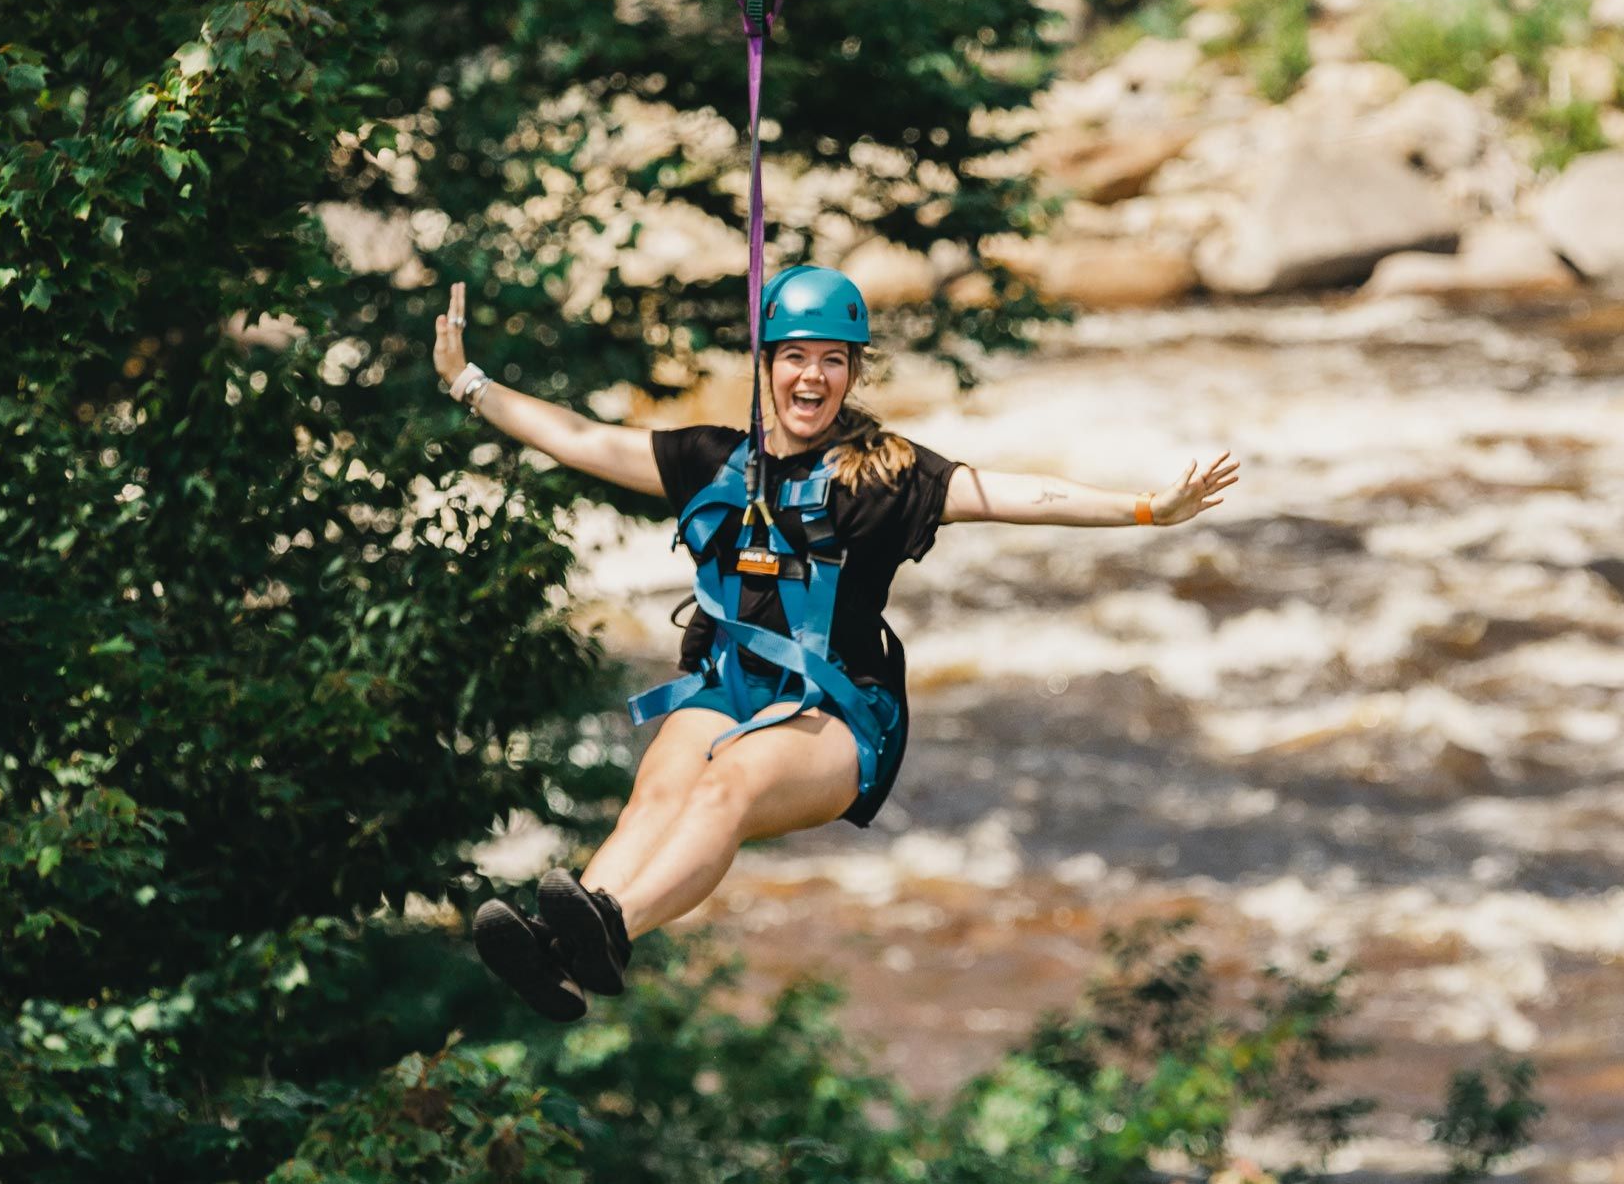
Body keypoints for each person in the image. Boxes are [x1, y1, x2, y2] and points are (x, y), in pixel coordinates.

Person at [431, 266, 1238, 1021]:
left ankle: (613, 925)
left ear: (853, 373)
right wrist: (470, 383)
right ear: (768, 367)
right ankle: (558, 953)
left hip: (839, 709)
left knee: (728, 786)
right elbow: (583, 439)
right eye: (793, 359)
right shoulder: (715, 460)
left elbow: (1013, 494)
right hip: (725, 682)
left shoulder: (882, 477)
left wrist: (1142, 509)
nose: (810, 377)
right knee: (661, 788)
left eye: (831, 361)